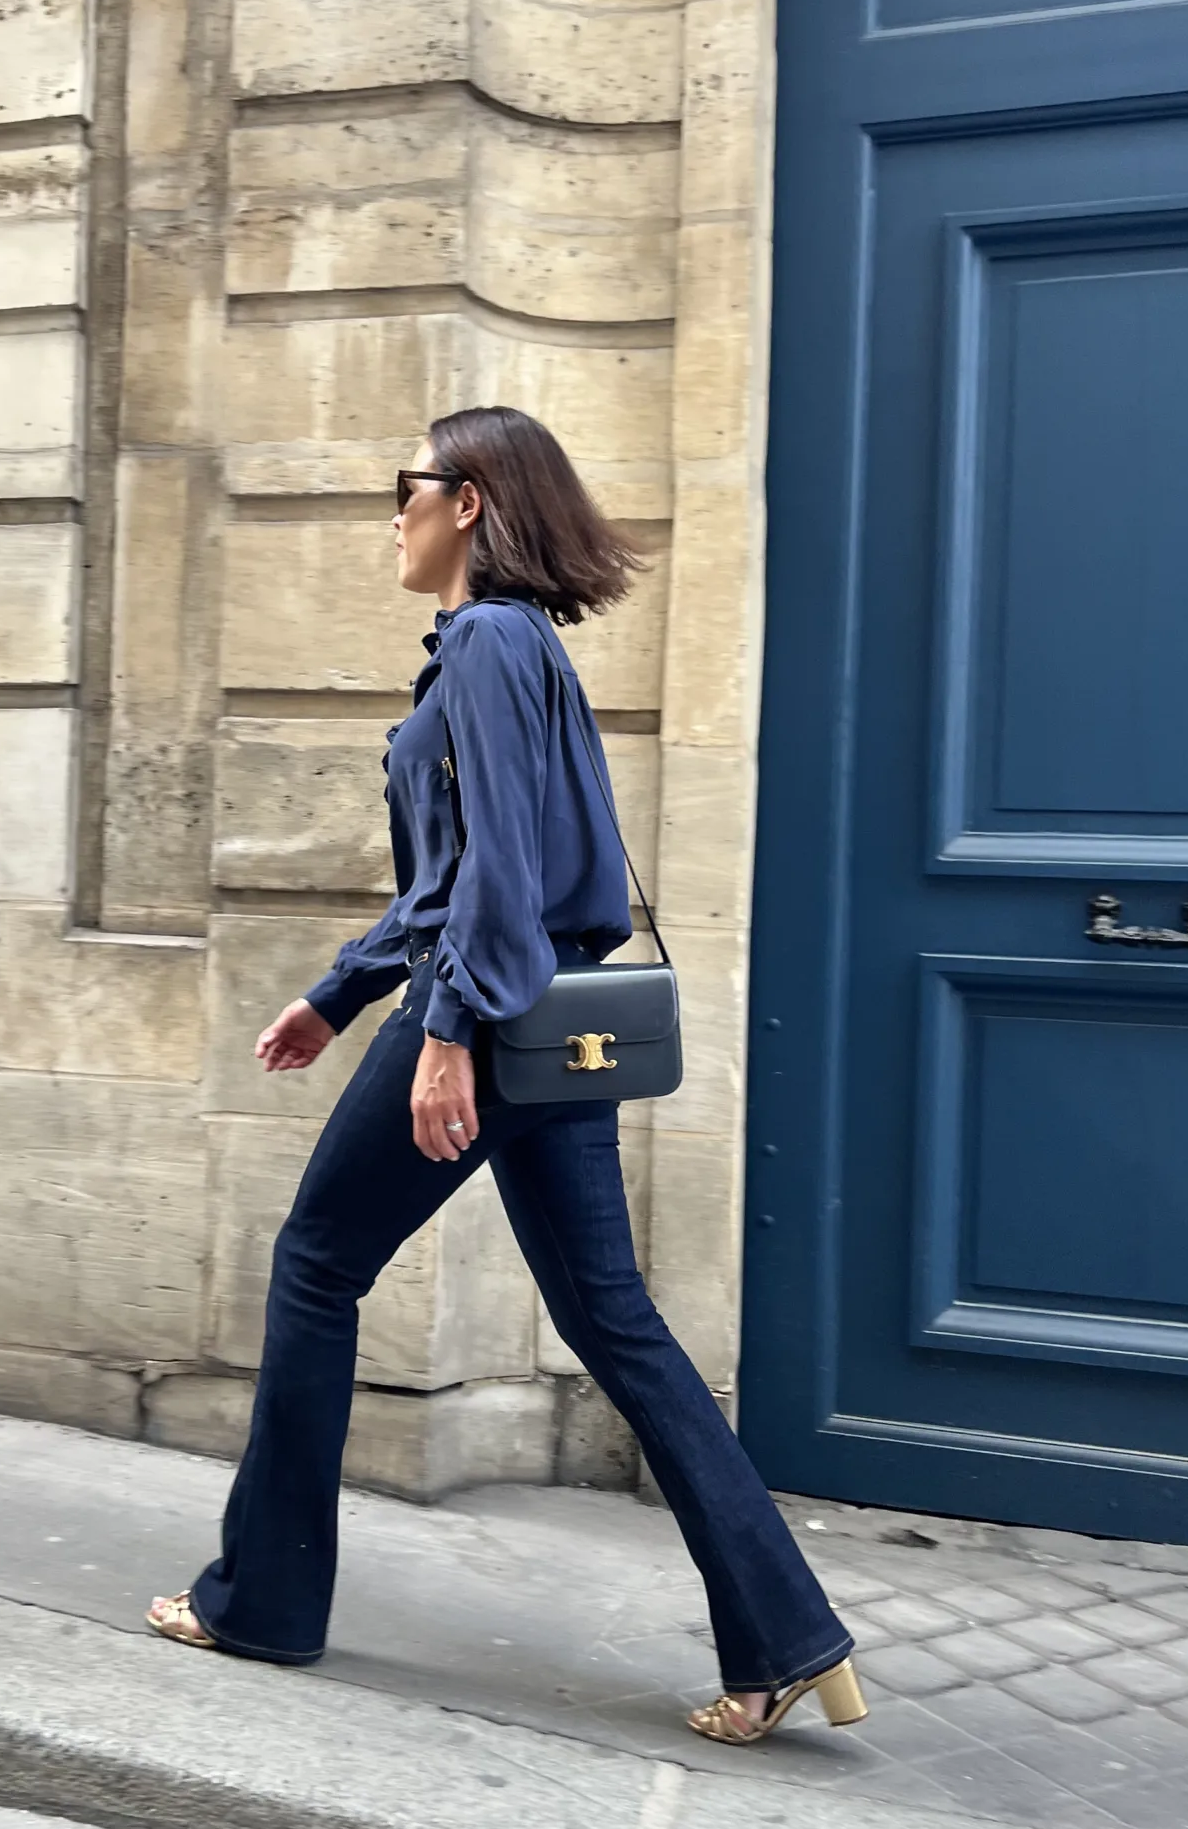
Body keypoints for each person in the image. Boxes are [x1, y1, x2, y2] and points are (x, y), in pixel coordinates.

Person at [149, 406, 865, 1746]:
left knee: (315, 1265)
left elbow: (503, 875)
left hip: (489, 1019)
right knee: (614, 1322)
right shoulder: (517, 649)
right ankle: (785, 1637)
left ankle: (262, 1600)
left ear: (468, 502)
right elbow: (465, 873)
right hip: (551, 1035)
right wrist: (336, 990)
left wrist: (441, 1030)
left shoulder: (485, 641)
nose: (394, 513)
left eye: (405, 487)